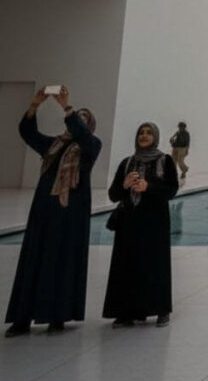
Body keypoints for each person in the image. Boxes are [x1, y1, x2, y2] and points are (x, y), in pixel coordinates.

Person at [5, 86, 101, 337]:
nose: (77, 120)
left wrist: (67, 108)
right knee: (34, 260)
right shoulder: (53, 145)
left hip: (70, 214)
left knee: (63, 261)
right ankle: (22, 317)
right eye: (75, 116)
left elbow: (81, 135)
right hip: (45, 211)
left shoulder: (91, 145)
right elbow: (27, 133)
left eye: (83, 118)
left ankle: (57, 315)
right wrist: (35, 105)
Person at [103, 122, 179, 328]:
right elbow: (113, 194)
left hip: (154, 223)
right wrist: (125, 185)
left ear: (155, 136)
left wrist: (149, 187)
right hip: (129, 223)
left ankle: (161, 309)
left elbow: (172, 190)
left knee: (156, 265)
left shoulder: (165, 161)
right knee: (127, 266)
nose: (144, 136)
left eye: (148, 133)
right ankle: (127, 312)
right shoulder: (127, 163)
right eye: (141, 133)